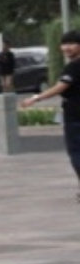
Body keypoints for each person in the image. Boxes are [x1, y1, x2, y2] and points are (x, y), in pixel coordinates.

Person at [28, 30, 80, 198]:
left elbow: (61, 87)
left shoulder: (73, 67)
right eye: (64, 44)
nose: (67, 48)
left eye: (72, 44)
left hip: (75, 116)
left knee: (76, 153)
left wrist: (37, 97)